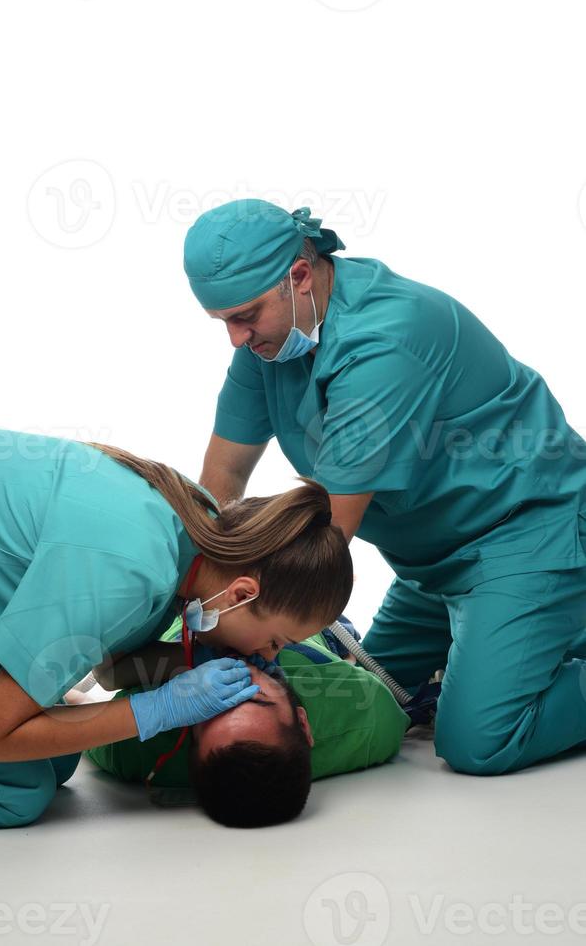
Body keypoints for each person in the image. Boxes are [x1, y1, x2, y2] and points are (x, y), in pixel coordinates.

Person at [183, 198, 586, 777]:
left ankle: (541, 627)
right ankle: (531, 640)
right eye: (223, 321)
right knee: (377, 695)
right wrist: (188, 594)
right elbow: (221, 480)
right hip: (432, 566)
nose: (235, 338)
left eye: (244, 316)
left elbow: (326, 538)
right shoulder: (270, 344)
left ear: (298, 276)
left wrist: (231, 616)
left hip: (526, 537)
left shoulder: (386, 341)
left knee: (476, 739)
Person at [0, 425, 353, 827]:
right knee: (12, 791)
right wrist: (162, 707)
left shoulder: (197, 530)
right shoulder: (130, 571)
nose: (268, 656)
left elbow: (108, 668)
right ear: (242, 595)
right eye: (277, 641)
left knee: (55, 758)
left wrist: (187, 663)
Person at [85, 617, 410, 827]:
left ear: (187, 736)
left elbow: (82, 713)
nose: (228, 679)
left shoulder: (139, 749)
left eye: (207, 708)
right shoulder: (366, 716)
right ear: (304, 723)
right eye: (255, 696)